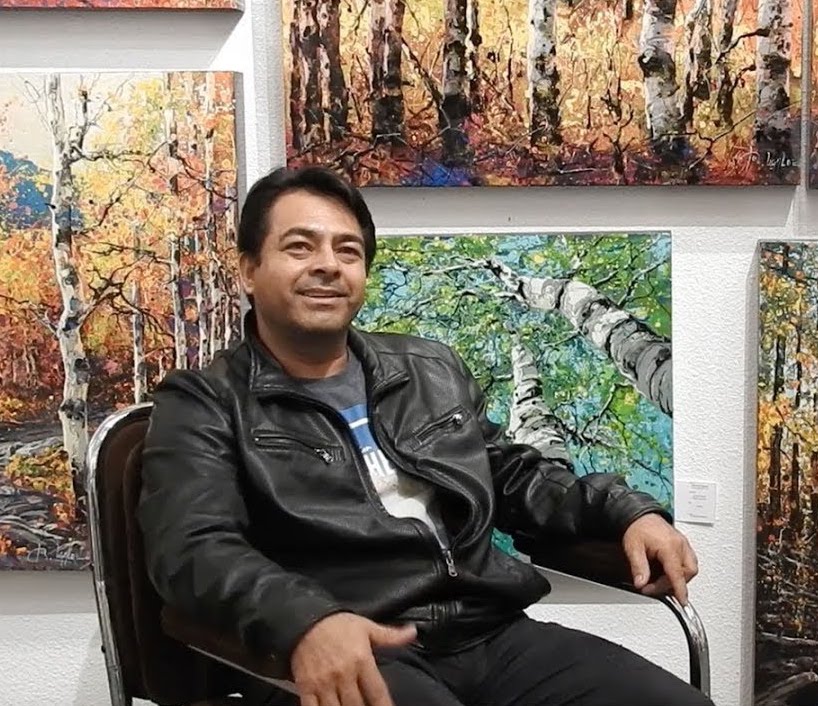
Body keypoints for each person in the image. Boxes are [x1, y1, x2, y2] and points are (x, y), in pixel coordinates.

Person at [138, 165, 713, 706]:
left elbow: (515, 477)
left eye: (348, 250)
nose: (328, 265)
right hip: (348, 646)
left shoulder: (428, 369)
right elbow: (192, 547)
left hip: (487, 631)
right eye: (300, 247)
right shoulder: (204, 402)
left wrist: (626, 512)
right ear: (248, 270)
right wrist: (304, 620)